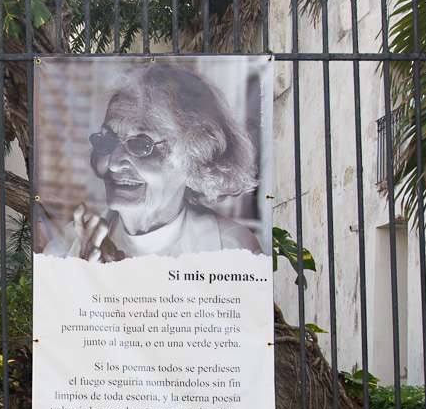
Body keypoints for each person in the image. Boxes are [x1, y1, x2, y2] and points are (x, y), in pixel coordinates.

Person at [42, 63, 264, 261]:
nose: (113, 164)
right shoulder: (66, 249)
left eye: (141, 145)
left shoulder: (230, 248)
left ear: (195, 158)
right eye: (107, 139)